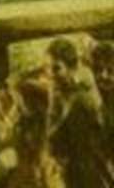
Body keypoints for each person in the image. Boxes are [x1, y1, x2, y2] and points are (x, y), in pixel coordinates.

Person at [45, 37, 114, 187]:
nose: (104, 75)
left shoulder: (82, 100)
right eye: (98, 70)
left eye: (110, 70)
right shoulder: (72, 97)